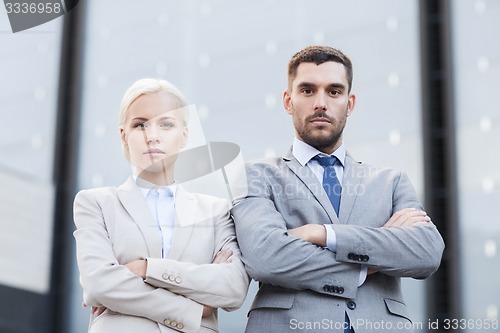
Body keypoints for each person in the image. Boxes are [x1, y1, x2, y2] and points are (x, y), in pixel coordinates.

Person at [231, 46, 445, 333]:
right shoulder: (255, 175)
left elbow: (426, 252)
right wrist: (369, 262)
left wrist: (322, 233)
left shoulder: (391, 181)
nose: (321, 103)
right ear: (288, 100)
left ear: (350, 102)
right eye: (307, 91)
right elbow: (267, 258)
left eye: (334, 91)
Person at [73, 78, 249, 333]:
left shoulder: (215, 211)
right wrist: (196, 309)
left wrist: (145, 268)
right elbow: (99, 285)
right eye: (140, 125)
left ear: (184, 135)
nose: (152, 136)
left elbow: (232, 289)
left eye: (166, 124)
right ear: (124, 136)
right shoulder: (96, 203)